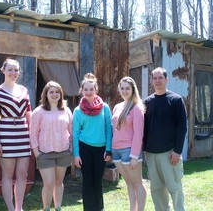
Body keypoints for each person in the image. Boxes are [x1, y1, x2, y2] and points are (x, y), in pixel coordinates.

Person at [143, 67, 187, 211]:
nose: (157, 81)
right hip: (151, 154)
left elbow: (182, 128)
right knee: (157, 190)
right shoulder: (147, 102)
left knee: (175, 188)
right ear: (152, 81)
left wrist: (177, 151)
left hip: (169, 154)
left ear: (166, 79)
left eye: (160, 77)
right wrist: (144, 149)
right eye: (154, 78)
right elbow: (145, 128)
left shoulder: (175, 100)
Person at [0, 58, 31, 211]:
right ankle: (10, 208)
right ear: (3, 70)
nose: (13, 73)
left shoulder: (24, 90)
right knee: (7, 175)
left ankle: (19, 208)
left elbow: (29, 114)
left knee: (23, 174)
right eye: (10, 69)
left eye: (16, 70)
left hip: (23, 133)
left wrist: (32, 136)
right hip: (6, 134)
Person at [30, 81, 73, 211]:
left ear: (61, 94)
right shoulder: (39, 111)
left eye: (57, 92)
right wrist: (37, 153)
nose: (54, 94)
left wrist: (70, 149)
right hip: (45, 154)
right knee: (48, 183)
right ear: (46, 95)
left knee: (59, 182)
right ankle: (46, 208)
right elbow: (32, 133)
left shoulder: (66, 111)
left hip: (63, 153)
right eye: (51, 92)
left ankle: (58, 207)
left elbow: (72, 131)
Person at [72, 73, 112, 211]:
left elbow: (108, 129)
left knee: (98, 181)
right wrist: (76, 154)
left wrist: (108, 149)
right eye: (86, 89)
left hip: (101, 150)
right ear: (82, 91)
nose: (88, 92)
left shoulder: (105, 107)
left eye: (91, 89)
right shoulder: (77, 111)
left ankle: (99, 208)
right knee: (87, 181)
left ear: (96, 89)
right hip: (85, 149)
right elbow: (75, 134)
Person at [111, 76, 146, 211]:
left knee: (138, 184)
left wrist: (134, 156)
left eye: (128, 88)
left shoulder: (136, 108)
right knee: (129, 184)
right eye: (122, 88)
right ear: (119, 89)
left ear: (133, 90)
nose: (125, 91)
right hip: (116, 150)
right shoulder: (117, 107)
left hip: (129, 151)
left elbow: (139, 133)